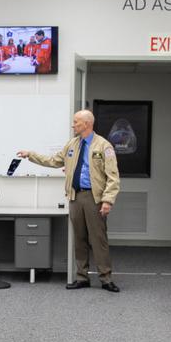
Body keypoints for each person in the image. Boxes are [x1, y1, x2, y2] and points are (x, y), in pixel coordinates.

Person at [18, 109, 121, 292]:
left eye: (76, 122)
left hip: (94, 198)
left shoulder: (103, 146)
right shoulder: (73, 144)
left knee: (98, 239)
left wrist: (108, 200)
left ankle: (106, 278)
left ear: (87, 124)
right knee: (79, 239)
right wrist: (30, 155)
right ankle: (82, 277)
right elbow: (53, 161)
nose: (73, 125)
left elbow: (113, 177)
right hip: (75, 197)